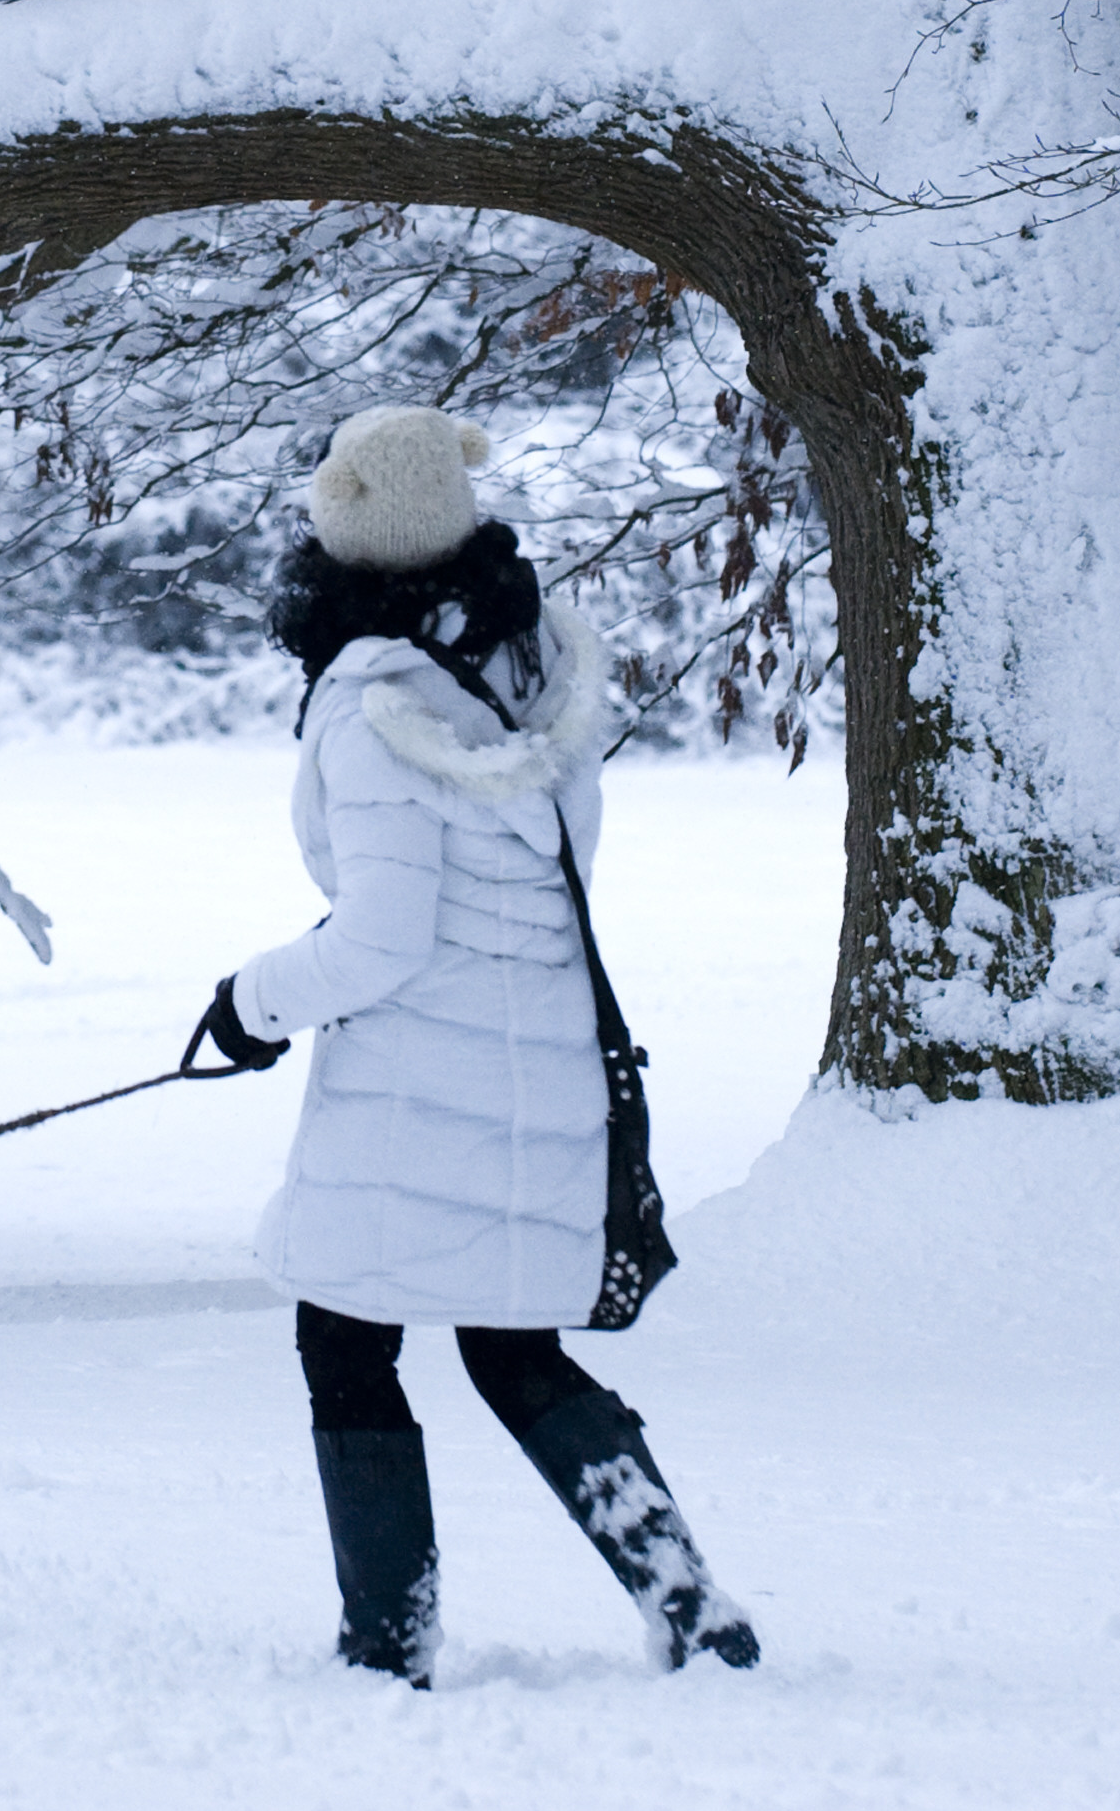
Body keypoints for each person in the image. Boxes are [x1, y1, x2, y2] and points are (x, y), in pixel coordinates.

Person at [194, 404, 758, 1686]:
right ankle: (683, 1594)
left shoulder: (370, 699)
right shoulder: (533, 665)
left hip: (417, 1083)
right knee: (510, 1340)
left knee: (345, 1335)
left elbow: (387, 934)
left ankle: (388, 1640)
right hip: (541, 1059)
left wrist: (253, 999)